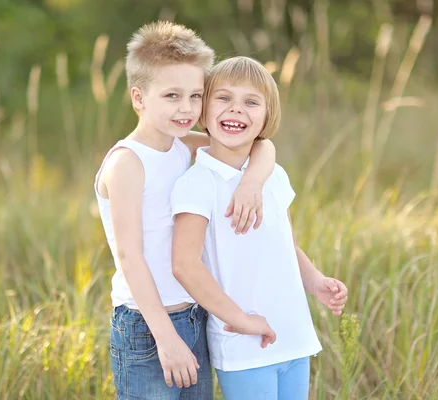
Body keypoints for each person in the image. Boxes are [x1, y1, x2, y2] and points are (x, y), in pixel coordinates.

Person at [94, 23, 277, 400]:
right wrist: (166, 338)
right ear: (139, 97)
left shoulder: (184, 145)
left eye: (196, 96)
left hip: (194, 314)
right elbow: (130, 257)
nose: (186, 108)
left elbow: (258, 143)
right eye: (172, 95)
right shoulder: (127, 163)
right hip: (147, 324)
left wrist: (251, 183)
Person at [171, 56, 348, 400]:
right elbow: (184, 265)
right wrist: (241, 319)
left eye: (251, 102)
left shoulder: (273, 175)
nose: (236, 110)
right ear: (203, 110)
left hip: (292, 334)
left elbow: (286, 244)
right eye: (223, 98)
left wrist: (315, 281)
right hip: (244, 343)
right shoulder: (197, 183)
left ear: (267, 116)